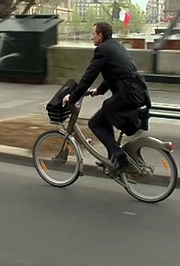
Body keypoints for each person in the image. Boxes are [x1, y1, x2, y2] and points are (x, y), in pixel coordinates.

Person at [63, 22, 151, 170]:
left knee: (95, 123)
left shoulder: (102, 50)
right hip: (137, 89)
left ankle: (118, 155)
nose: (92, 38)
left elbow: (88, 76)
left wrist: (73, 97)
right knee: (106, 117)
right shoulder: (115, 45)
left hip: (127, 93)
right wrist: (100, 90)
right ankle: (112, 158)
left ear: (100, 35)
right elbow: (116, 72)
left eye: (93, 35)